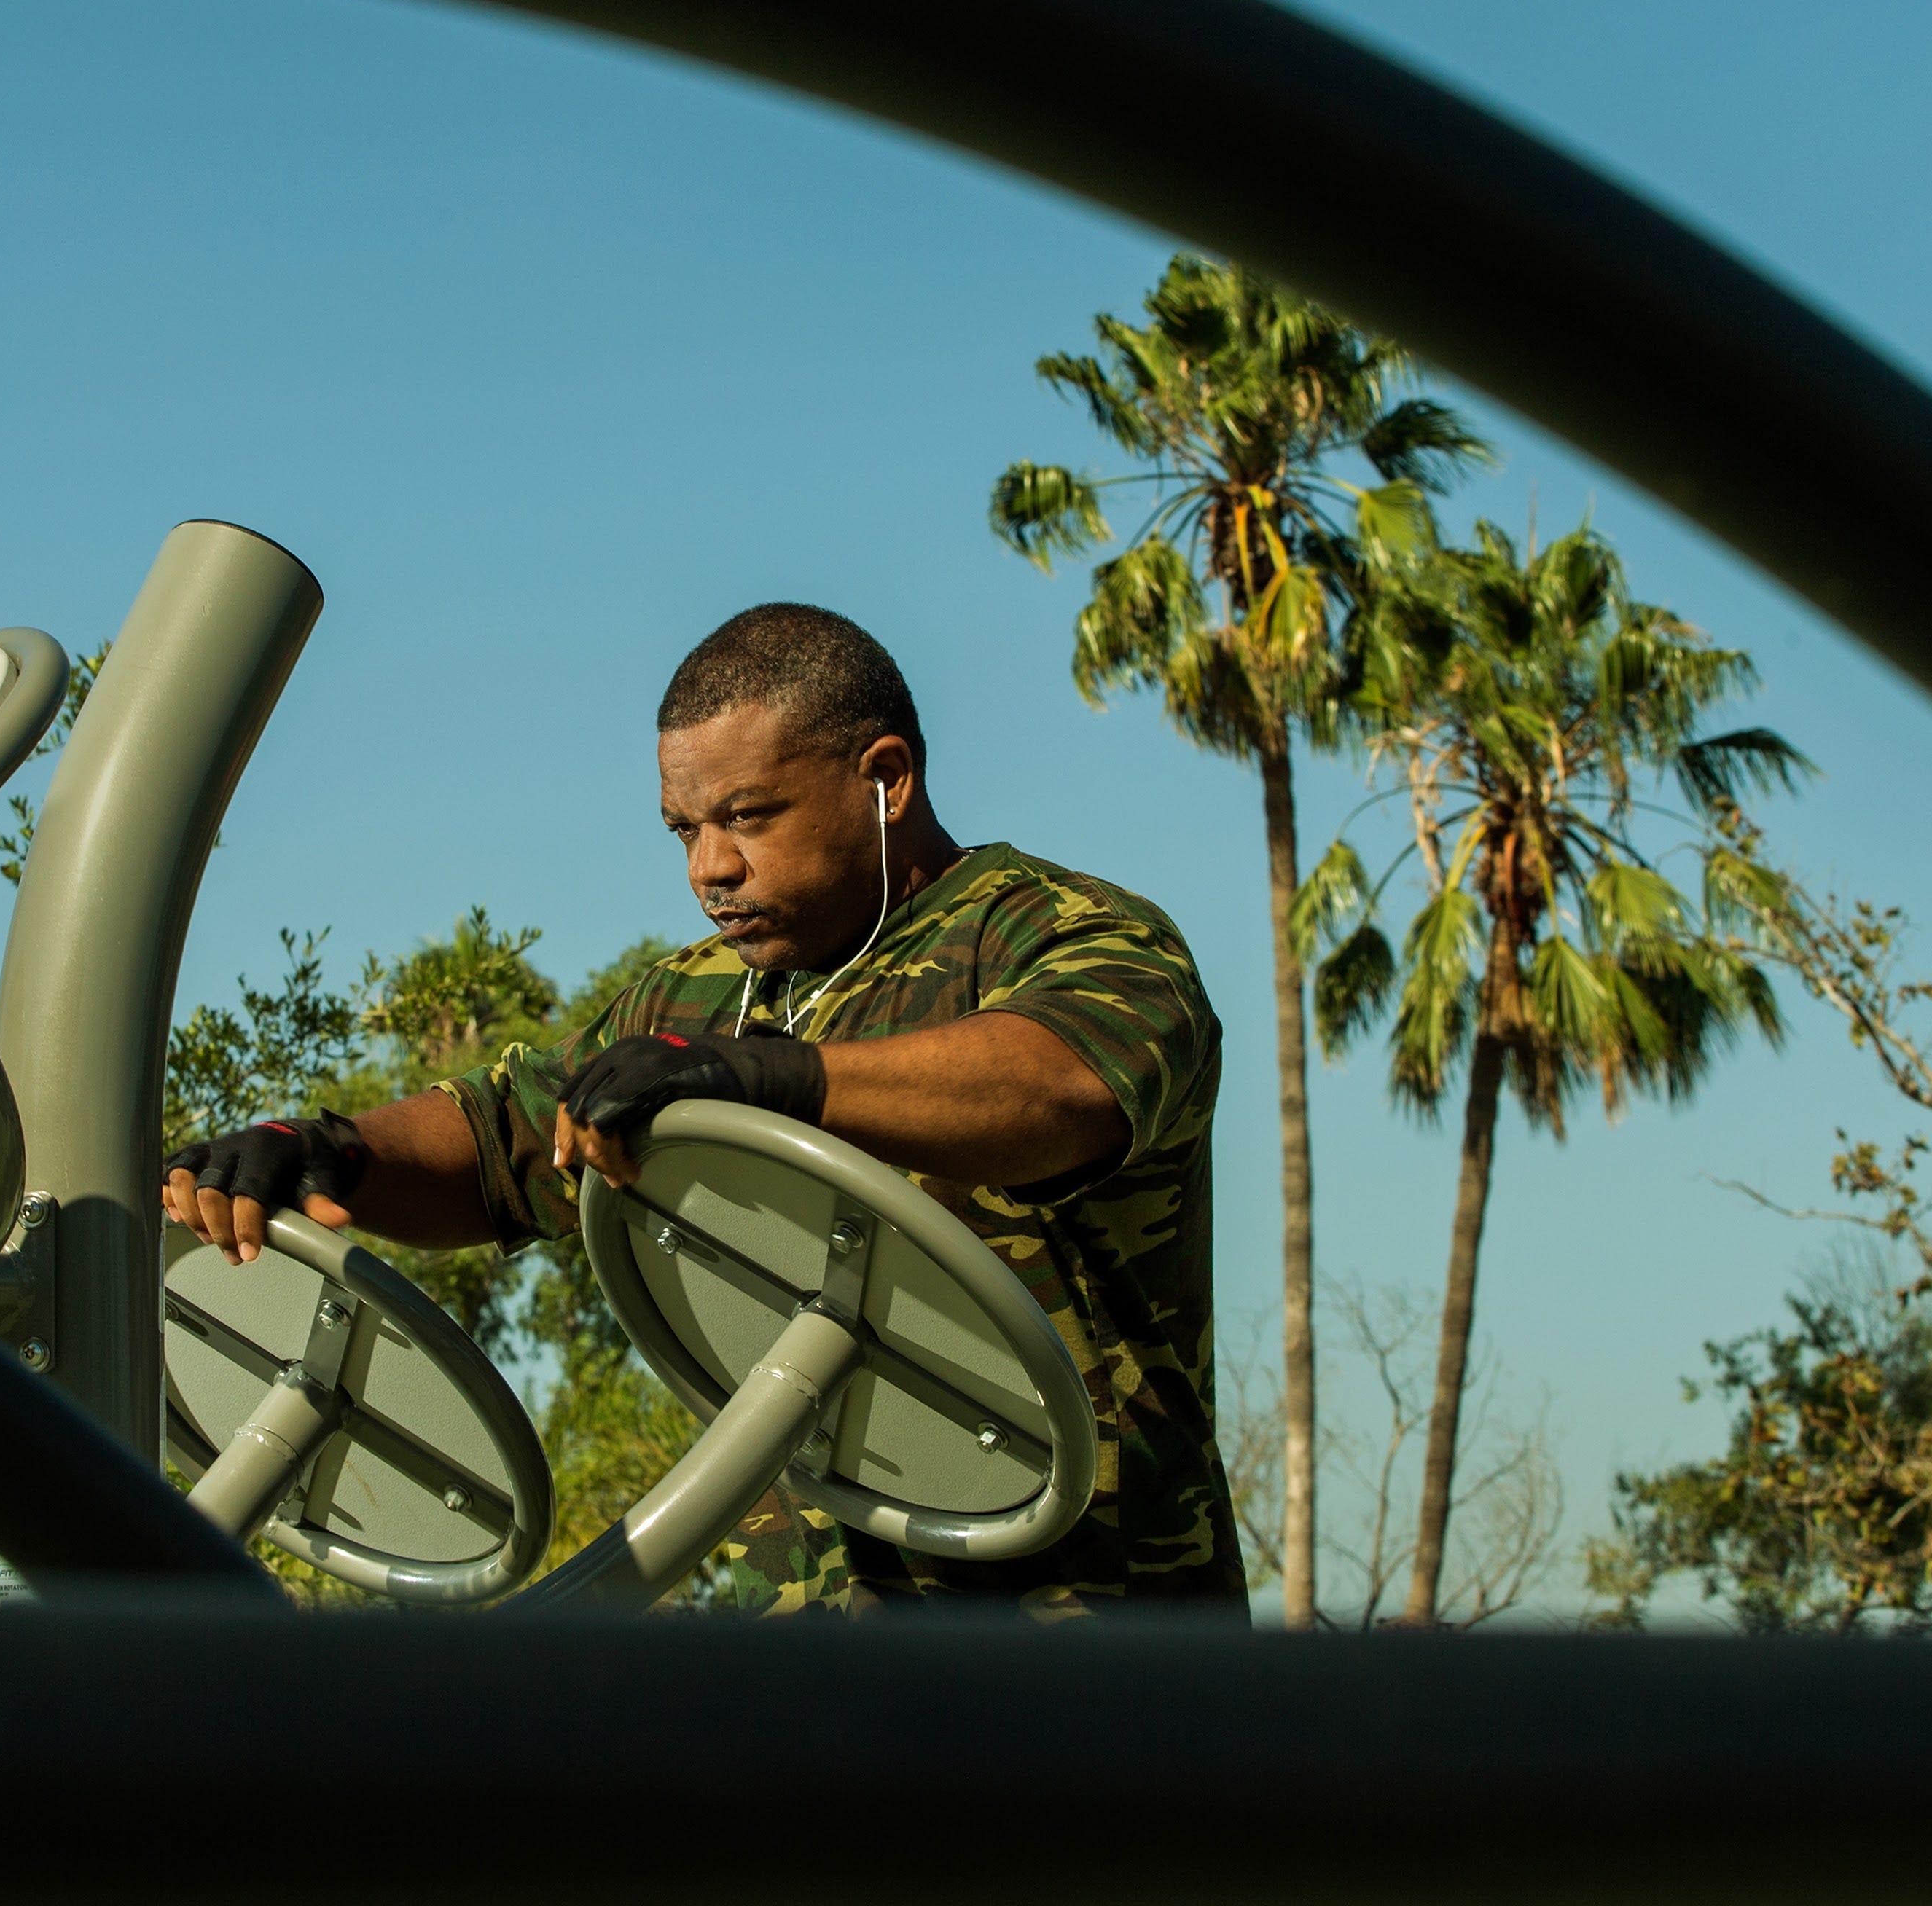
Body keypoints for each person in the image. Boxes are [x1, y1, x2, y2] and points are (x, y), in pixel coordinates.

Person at [163, 602, 1243, 1613]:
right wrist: (324, 1149)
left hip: (1094, 1652)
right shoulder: (690, 998)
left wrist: (776, 1080)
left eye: (747, 816)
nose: (710, 868)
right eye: (682, 830)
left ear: (886, 779)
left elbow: (1064, 1081)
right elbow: (500, 1136)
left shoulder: (1056, 932)